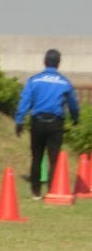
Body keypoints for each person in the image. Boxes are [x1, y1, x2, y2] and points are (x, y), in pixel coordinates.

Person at [15, 47, 80, 199]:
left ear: (44, 62)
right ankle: (52, 190)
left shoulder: (34, 80)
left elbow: (25, 101)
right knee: (54, 158)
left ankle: (35, 191)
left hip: (37, 122)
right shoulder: (64, 82)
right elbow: (73, 104)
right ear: (58, 63)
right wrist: (75, 118)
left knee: (36, 157)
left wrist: (19, 120)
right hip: (55, 124)